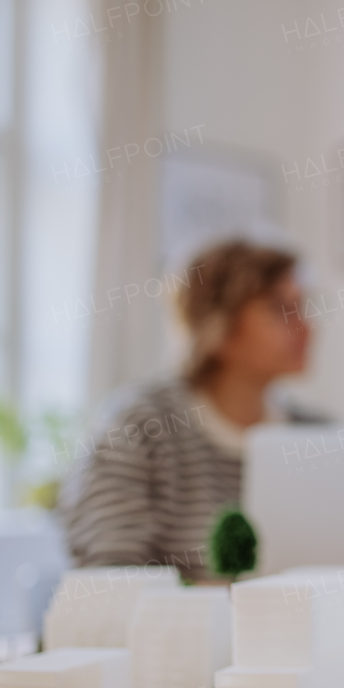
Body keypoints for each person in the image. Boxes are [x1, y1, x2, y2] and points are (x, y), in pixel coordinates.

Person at [59, 240, 318, 581]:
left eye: (301, 307)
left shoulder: (320, 435)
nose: (305, 326)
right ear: (218, 324)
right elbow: (109, 573)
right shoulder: (140, 427)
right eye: (279, 309)